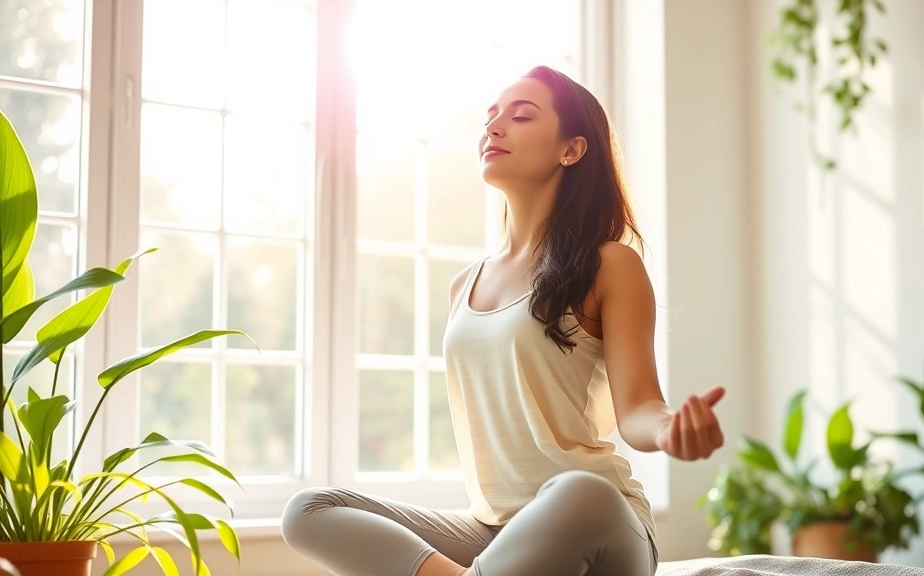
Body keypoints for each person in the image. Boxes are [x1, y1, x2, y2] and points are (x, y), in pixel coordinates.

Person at [281, 65, 727, 576]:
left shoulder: (609, 264)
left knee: (582, 490)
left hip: (598, 524)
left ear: (572, 149)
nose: (493, 128)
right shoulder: (464, 284)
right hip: (494, 533)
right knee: (310, 509)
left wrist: (671, 429)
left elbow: (640, 407)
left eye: (520, 116)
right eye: (490, 117)